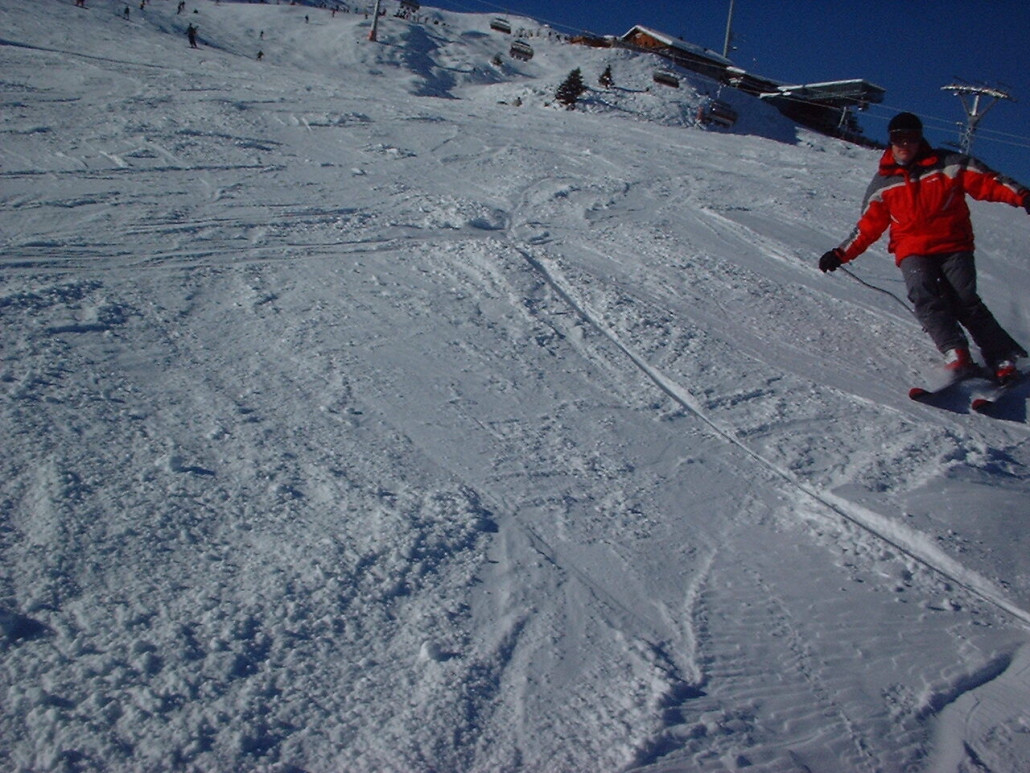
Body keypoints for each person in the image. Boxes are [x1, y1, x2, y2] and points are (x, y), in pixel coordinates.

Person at [819, 112, 1030, 382]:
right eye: (899, 138)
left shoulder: (948, 164)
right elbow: (867, 227)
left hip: (953, 244)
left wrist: (1022, 196)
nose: (905, 144)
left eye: (912, 138)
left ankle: (1002, 356)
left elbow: (988, 181)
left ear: (920, 139)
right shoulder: (884, 183)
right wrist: (840, 254)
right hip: (912, 249)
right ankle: (955, 352)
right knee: (923, 294)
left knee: (964, 299)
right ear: (891, 141)